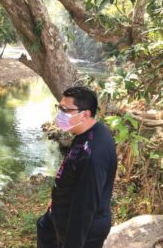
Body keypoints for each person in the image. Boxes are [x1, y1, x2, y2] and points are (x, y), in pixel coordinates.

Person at [37, 86, 117, 248]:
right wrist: (56, 200)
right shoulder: (88, 132)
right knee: (44, 227)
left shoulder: (93, 155)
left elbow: (84, 208)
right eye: (59, 107)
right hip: (62, 213)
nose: (60, 114)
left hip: (82, 228)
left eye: (66, 110)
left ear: (85, 114)